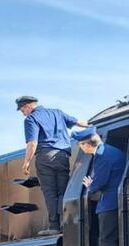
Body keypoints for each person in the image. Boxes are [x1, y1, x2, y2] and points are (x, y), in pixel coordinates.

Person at [16, 96, 89, 236]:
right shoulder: (57, 113)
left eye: (22, 110)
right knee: (63, 190)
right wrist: (93, 127)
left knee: (50, 192)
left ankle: (54, 226)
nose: (23, 113)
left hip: (45, 156)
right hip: (62, 156)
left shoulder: (31, 119)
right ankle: (66, 223)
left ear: (27, 106)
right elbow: (79, 122)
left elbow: (32, 143)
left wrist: (26, 162)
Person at [74, 127, 127, 246]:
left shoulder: (102, 156)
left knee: (106, 242)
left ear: (85, 144)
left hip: (109, 204)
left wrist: (91, 185)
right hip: (117, 202)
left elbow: (100, 182)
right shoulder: (112, 151)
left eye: (80, 145)